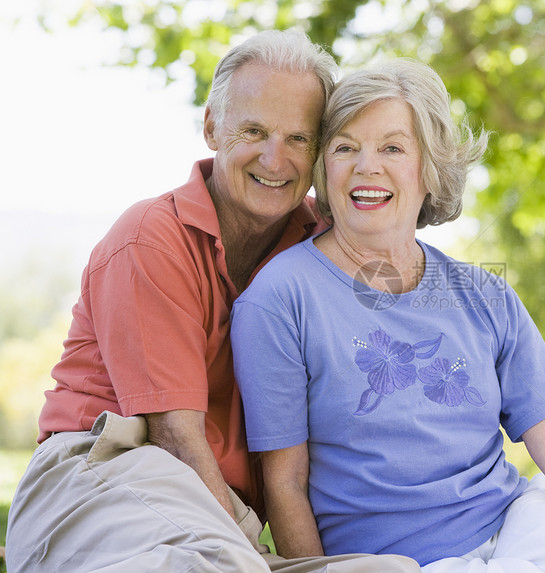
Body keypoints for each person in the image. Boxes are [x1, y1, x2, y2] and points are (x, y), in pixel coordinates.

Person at [230, 59, 545, 573]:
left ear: (430, 169)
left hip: (514, 527)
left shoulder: (482, 292)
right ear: (323, 169)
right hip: (395, 560)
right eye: (345, 147)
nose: (366, 166)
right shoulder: (280, 298)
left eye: (393, 148)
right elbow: (284, 481)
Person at [6, 30, 419, 573]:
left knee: (387, 571)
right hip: (100, 479)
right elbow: (175, 437)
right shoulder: (150, 240)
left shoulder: (321, 242)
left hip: (210, 514)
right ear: (211, 128)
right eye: (254, 131)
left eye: (298, 138)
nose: (276, 159)